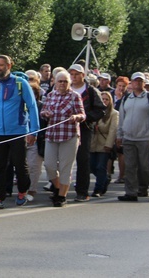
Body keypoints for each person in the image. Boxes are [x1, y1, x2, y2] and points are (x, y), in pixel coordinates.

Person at [0, 56, 39, 209]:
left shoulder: (20, 83)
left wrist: (34, 131)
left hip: (18, 131)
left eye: (1, 65)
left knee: (19, 164)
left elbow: (32, 106)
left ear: (9, 66)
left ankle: (22, 191)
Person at [40, 71, 86, 207]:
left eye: (65, 81)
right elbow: (43, 111)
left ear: (69, 83)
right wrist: (45, 113)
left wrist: (76, 117)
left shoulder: (75, 96)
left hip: (69, 135)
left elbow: (83, 114)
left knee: (66, 166)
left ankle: (61, 195)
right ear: (55, 82)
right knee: (49, 165)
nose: (62, 84)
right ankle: (58, 186)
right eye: (60, 81)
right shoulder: (50, 95)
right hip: (52, 135)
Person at [115, 72, 149, 202]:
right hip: (129, 137)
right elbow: (122, 118)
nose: (137, 83)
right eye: (135, 81)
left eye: (140, 81)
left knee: (147, 166)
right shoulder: (126, 98)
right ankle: (131, 192)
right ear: (131, 83)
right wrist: (120, 135)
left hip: (145, 138)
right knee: (130, 166)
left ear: (144, 83)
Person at [69, 64, 106, 202]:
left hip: (84, 128)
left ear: (83, 75)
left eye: (77, 74)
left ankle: (82, 191)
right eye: (71, 74)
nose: (74, 76)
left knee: (83, 160)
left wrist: (85, 117)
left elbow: (101, 110)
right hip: (66, 129)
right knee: (63, 160)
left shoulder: (91, 91)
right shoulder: (66, 88)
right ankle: (59, 190)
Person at [90, 91, 118, 197]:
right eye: (102, 99)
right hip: (93, 143)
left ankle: (98, 189)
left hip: (104, 143)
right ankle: (105, 179)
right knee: (92, 166)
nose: (104, 101)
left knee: (101, 166)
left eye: (106, 99)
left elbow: (113, 130)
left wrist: (109, 144)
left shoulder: (114, 113)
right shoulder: (94, 111)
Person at [24, 70, 45, 200]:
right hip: (21, 138)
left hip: (36, 140)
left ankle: (31, 189)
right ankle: (22, 188)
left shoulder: (41, 106)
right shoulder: (19, 105)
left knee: (34, 166)